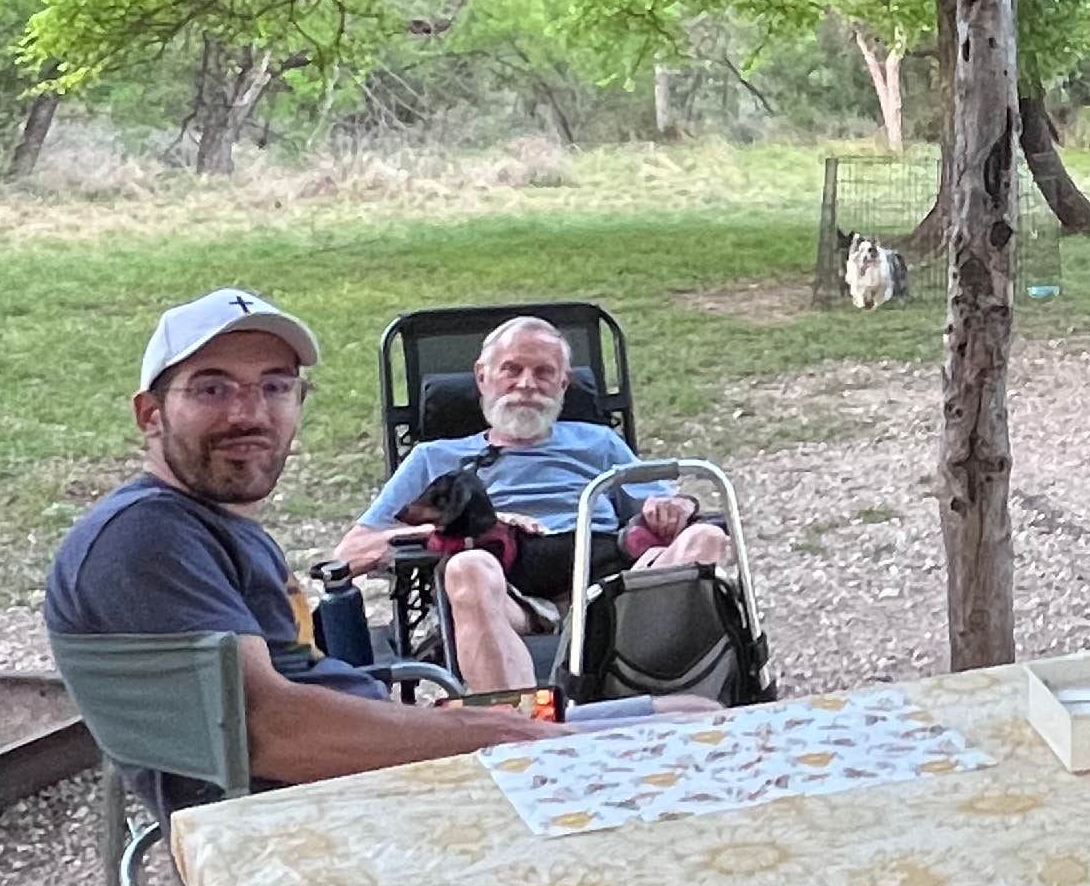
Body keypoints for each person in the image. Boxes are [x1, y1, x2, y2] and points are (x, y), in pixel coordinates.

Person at [46, 290, 560, 791]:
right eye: (211, 389)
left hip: (360, 780)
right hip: (312, 820)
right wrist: (498, 732)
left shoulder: (215, 526)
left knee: (623, 725)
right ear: (150, 415)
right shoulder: (143, 538)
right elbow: (270, 733)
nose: (248, 414)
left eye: (275, 387)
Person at [330, 313, 733, 696]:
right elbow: (349, 555)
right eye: (511, 369)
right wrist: (452, 527)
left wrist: (674, 509)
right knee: (469, 565)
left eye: (544, 373)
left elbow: (662, 506)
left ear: (563, 384)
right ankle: (522, 730)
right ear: (482, 377)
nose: (526, 384)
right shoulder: (435, 458)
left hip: (610, 591)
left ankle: (650, 699)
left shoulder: (599, 443)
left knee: (705, 539)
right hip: (511, 596)